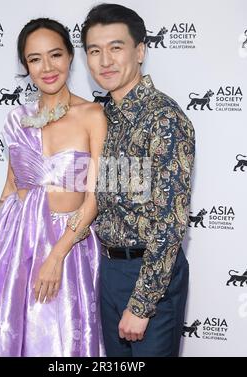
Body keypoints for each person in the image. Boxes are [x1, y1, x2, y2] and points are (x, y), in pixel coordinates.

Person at [0, 18, 107, 357]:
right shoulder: (16, 119)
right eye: (35, 59)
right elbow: (10, 188)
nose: (47, 67)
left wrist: (57, 255)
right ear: (26, 66)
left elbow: (94, 199)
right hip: (17, 244)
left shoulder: (92, 115)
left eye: (55, 55)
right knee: (13, 334)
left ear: (71, 57)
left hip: (69, 245)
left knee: (61, 339)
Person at [81, 3, 195, 357]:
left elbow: (170, 220)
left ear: (140, 51)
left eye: (116, 47)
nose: (105, 61)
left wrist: (142, 303)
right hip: (110, 270)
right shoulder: (103, 117)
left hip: (150, 276)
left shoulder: (163, 119)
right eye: (94, 51)